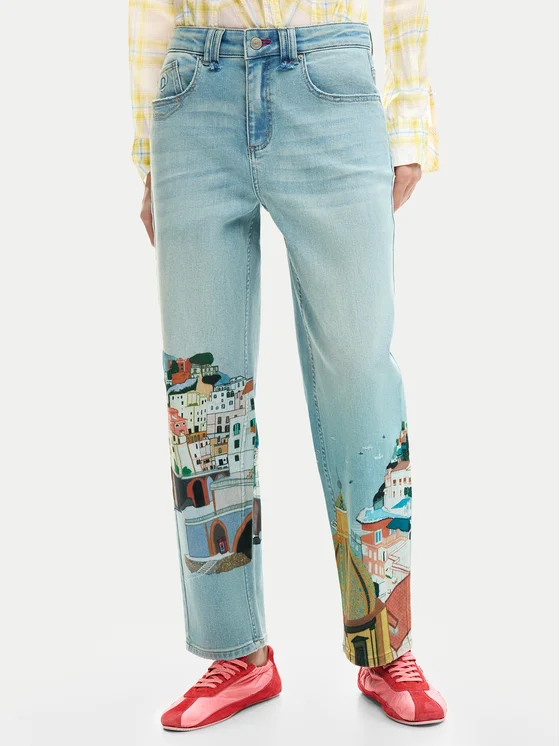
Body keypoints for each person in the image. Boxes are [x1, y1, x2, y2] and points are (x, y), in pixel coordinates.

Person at [128, 0, 447, 731]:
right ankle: (236, 654)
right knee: (202, 391)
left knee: (361, 375)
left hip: (329, 82)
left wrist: (410, 123)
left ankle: (384, 641)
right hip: (194, 89)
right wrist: (149, 153)